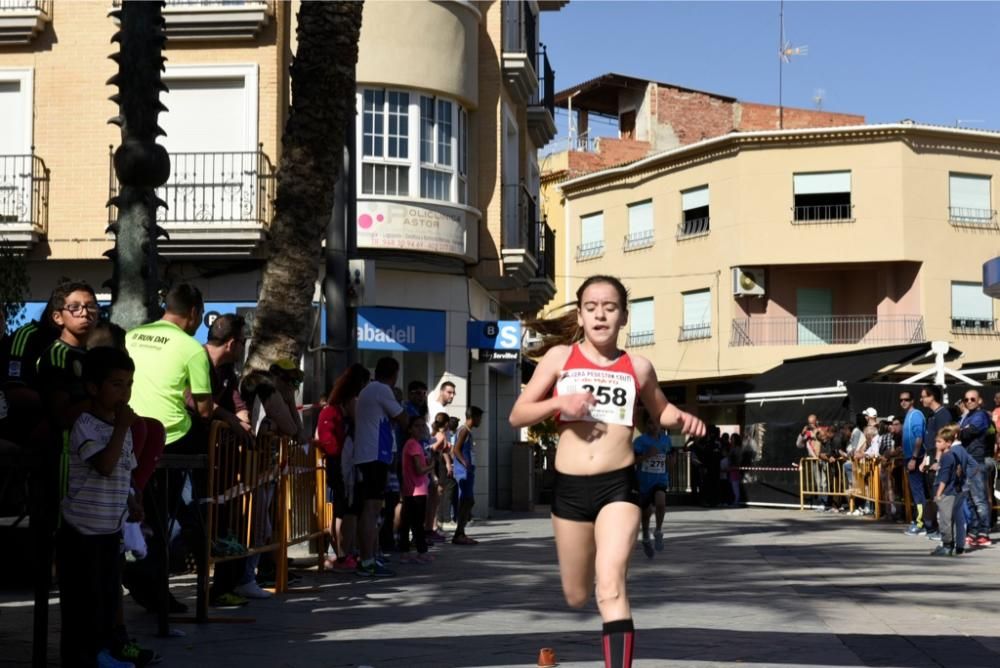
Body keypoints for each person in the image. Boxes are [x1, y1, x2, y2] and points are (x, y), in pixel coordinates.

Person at [509, 274, 705, 668]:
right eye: (592, 307)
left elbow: (660, 409)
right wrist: (558, 404)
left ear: (624, 317)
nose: (600, 315)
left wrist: (680, 417)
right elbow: (518, 414)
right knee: (577, 594)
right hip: (568, 490)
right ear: (580, 316)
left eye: (610, 307)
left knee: (611, 585)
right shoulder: (559, 358)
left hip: (619, 486)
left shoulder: (639, 366)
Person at [124, 283, 213, 614]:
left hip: (130, 434)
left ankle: (145, 579)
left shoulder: (132, 336)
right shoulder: (191, 348)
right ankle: (155, 584)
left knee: (142, 514)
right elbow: (204, 410)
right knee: (164, 519)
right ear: (193, 313)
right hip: (169, 438)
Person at [57, 346, 141, 668]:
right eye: (116, 384)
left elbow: (123, 468)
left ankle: (104, 652)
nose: (125, 392)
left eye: (129, 384)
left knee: (107, 597)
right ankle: (81, 658)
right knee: (83, 601)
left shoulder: (123, 428)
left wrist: (132, 500)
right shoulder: (86, 426)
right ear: (94, 388)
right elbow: (104, 465)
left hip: (110, 528)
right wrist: (121, 429)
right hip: (82, 531)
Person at [352, 356, 408, 577]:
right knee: (371, 509)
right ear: (394, 374)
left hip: (371, 453)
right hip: (374, 454)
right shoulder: (382, 390)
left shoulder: (369, 390)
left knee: (372, 508)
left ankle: (369, 557)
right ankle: (366, 561)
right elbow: (402, 418)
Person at [315, 363, 370, 572]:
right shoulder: (349, 403)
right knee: (346, 510)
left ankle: (340, 553)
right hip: (344, 462)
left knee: (340, 509)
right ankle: (343, 554)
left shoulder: (333, 405)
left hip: (336, 460)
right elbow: (360, 424)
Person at [633, 410, 671, 558]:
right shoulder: (639, 442)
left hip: (661, 479)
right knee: (646, 513)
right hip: (644, 482)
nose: (653, 426)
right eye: (650, 423)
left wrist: (671, 462)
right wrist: (646, 455)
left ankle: (659, 530)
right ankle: (646, 537)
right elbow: (632, 461)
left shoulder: (666, 441)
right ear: (646, 425)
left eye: (656, 423)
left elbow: (668, 458)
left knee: (661, 502)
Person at [957, 389, 992, 547]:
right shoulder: (967, 417)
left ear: (979, 401)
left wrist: (961, 431)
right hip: (966, 461)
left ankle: (984, 532)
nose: (969, 401)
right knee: (969, 500)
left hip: (977, 461)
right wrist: (961, 430)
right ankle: (973, 531)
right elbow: (957, 432)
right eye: (966, 399)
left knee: (979, 500)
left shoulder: (981, 415)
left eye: (972, 399)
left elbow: (967, 433)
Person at [398, 415, 434, 564]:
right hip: (417, 490)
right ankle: (421, 552)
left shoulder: (410, 444)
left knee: (407, 522)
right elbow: (419, 470)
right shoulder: (414, 445)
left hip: (410, 489)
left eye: (422, 426)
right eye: (417, 426)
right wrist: (432, 465)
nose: (420, 429)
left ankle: (405, 552)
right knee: (418, 522)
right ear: (410, 429)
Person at [930, 425, 970, 556]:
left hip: (947, 492)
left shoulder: (947, 456)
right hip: (953, 490)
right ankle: (951, 545)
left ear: (948, 443)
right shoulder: (952, 455)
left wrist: (938, 494)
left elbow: (944, 477)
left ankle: (947, 546)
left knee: (944, 520)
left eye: (939, 441)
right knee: (950, 519)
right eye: (936, 441)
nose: (936, 444)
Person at [920, 385, 950, 541]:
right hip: (930, 457)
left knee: (939, 494)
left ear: (932, 397)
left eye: (924, 396)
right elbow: (930, 440)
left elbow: (942, 439)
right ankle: (931, 527)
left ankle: (943, 529)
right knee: (930, 495)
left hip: (939, 458)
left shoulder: (942, 415)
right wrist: (925, 459)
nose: (922, 399)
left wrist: (938, 460)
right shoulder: (931, 415)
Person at [451, 405, 483, 545]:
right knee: (466, 501)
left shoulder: (466, 431)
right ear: (474, 417)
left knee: (467, 501)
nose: (480, 421)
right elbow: (456, 450)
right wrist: (465, 463)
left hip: (466, 471)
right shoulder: (464, 430)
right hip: (464, 472)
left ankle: (461, 532)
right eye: (479, 417)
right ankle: (459, 534)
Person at [900, 391, 928, 535]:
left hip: (915, 458)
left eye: (906, 399)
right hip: (910, 457)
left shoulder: (915, 415)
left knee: (918, 492)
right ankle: (920, 520)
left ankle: (921, 523)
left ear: (912, 400)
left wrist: (914, 458)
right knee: (916, 491)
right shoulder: (909, 416)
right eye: (901, 400)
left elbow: (919, 438)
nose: (903, 402)